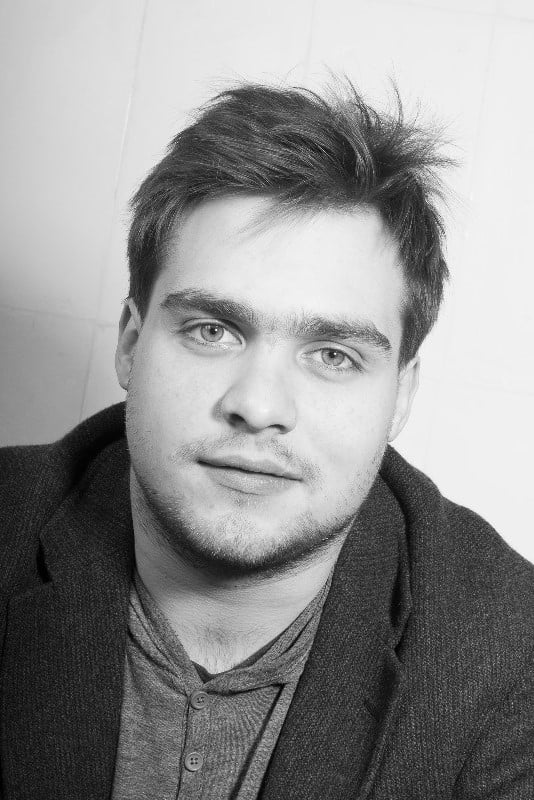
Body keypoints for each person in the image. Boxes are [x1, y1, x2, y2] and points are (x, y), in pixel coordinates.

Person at [0, 81, 533, 800]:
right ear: (130, 343)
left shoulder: (511, 657)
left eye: (333, 355)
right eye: (211, 330)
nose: (257, 406)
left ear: (401, 395)